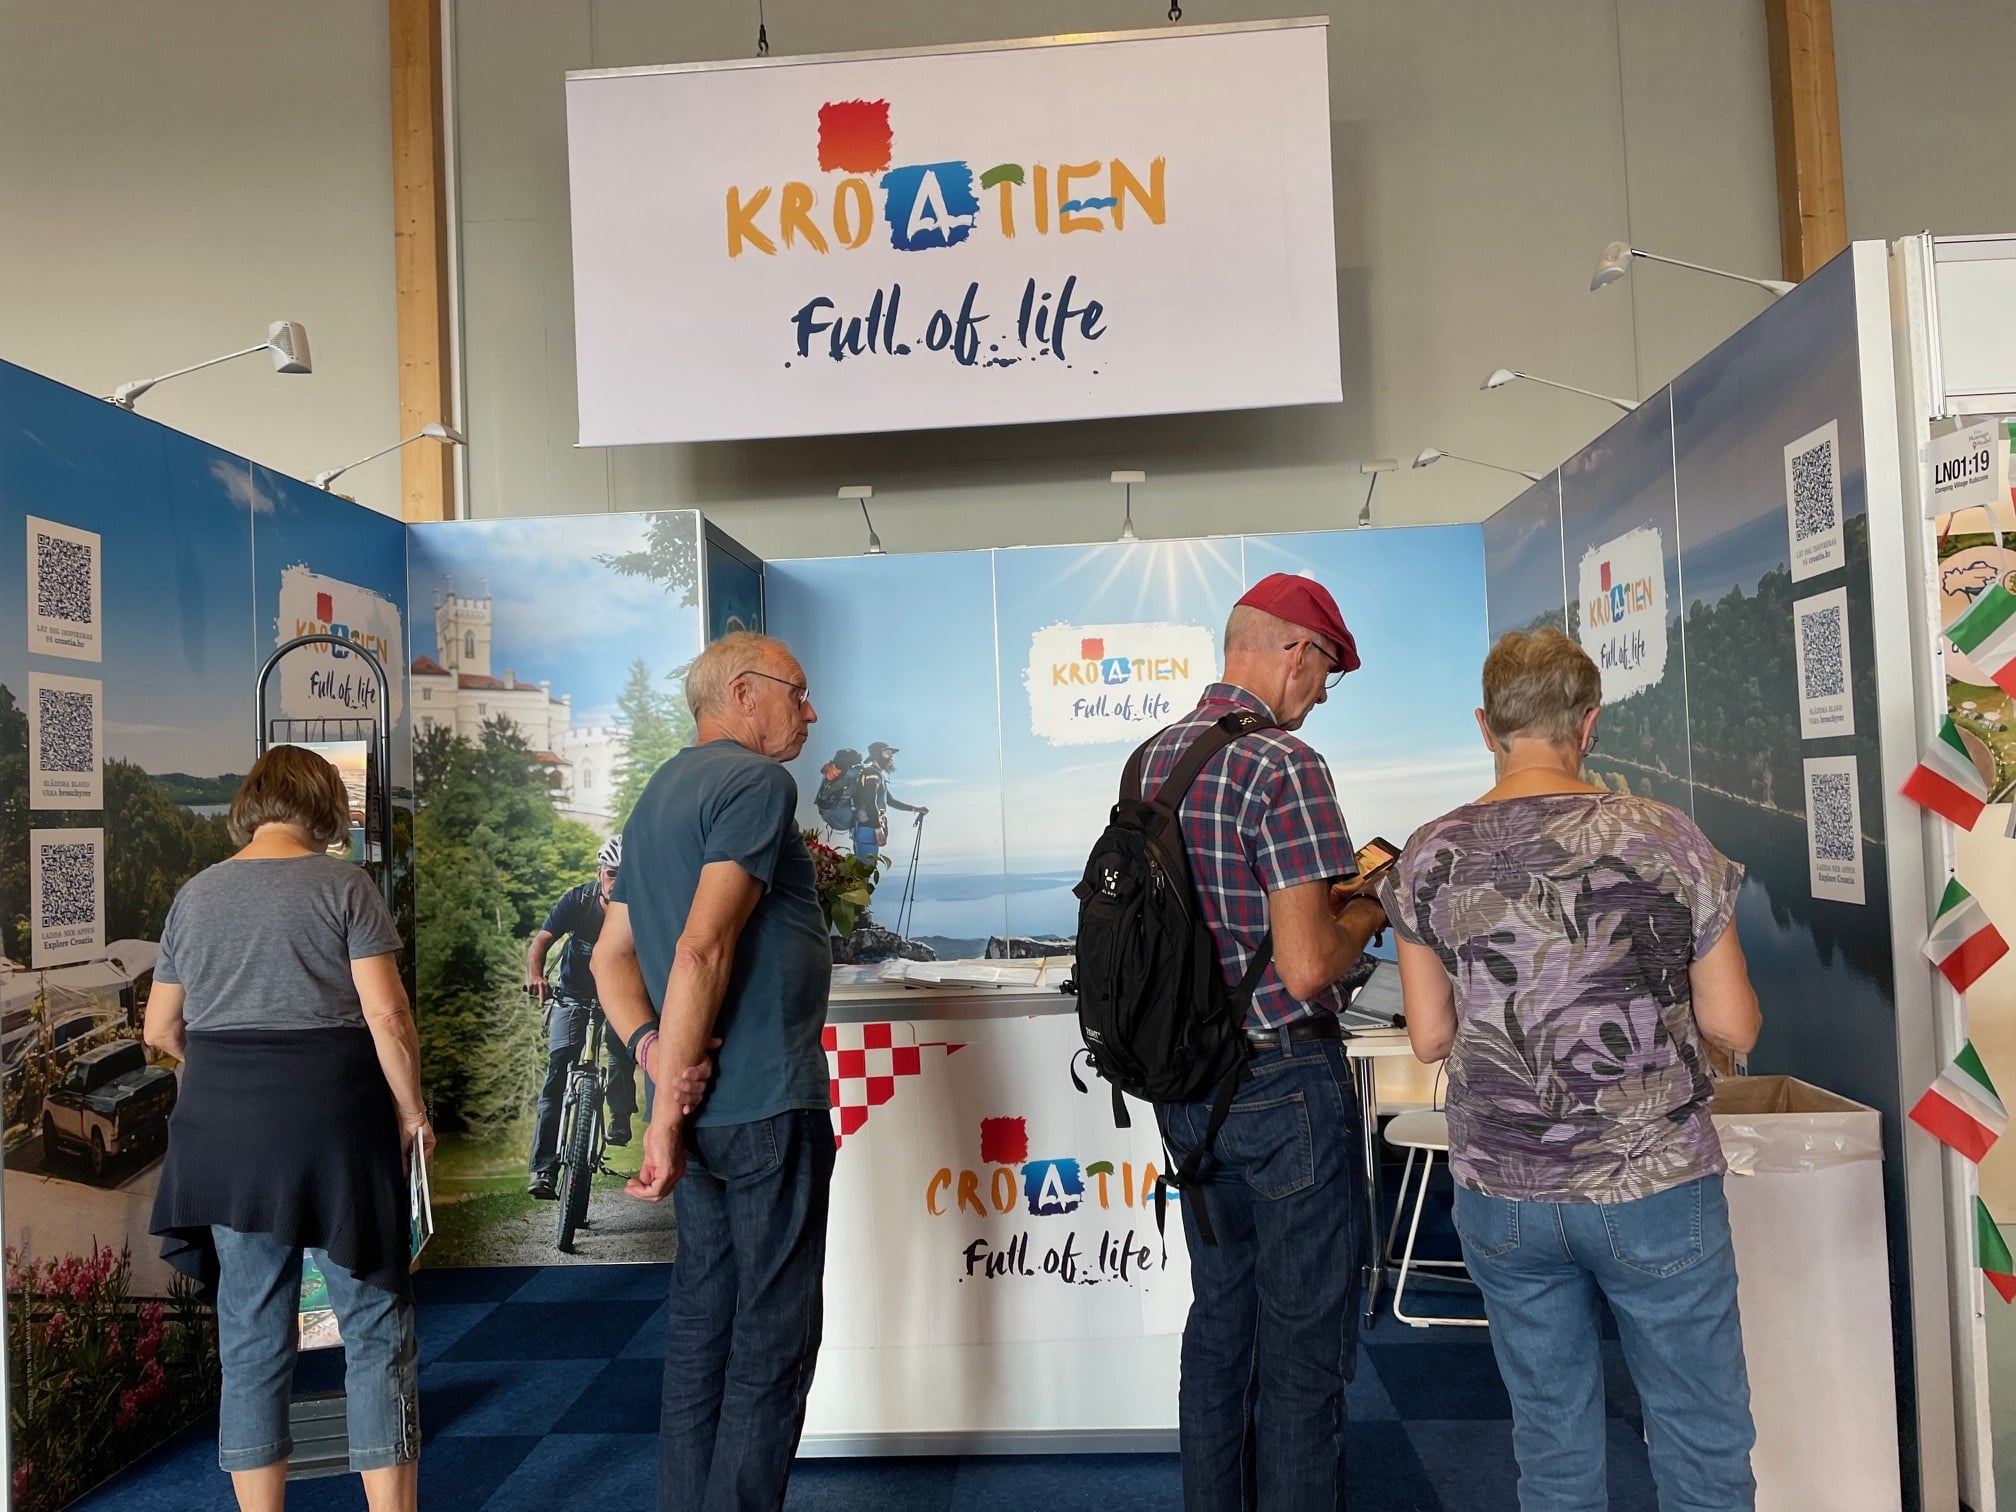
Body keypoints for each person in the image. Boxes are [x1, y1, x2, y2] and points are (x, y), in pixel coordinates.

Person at [1378, 627, 1762, 1512]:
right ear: (1588, 724)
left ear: (1486, 727)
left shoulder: (1429, 855)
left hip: (1505, 1191)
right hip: (1656, 1182)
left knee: (1552, 1442)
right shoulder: (1664, 835)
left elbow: (1430, 1038)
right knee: (1701, 1435)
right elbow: (1732, 1023)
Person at [1138, 573, 1388, 1512]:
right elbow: (1308, 966)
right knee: (1303, 1351)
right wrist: (1366, 908)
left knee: (1221, 1325)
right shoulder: (1284, 764)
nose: (1323, 693)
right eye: (1327, 669)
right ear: (1295, 651)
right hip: (1283, 1083)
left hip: (1186, 1086)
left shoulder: (1152, 760)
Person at [145, 745, 431, 1512]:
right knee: (374, 1325)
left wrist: (230, 1073)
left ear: (250, 804)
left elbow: (160, 1028)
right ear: (324, 806)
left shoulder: (195, 894)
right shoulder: (345, 886)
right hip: (335, 1128)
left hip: (223, 1136)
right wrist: (412, 1112)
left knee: (251, 1333)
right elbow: (387, 1017)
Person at [590, 631, 832, 1512]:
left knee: (704, 1331)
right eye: (796, 692)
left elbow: (609, 958)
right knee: (773, 1339)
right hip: (765, 1102)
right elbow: (701, 948)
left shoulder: (656, 795)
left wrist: (654, 1050)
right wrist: (661, 1112)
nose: (810, 712)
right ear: (741, 692)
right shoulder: (757, 783)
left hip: (710, 1115)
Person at [524, 835, 639, 1199]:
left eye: (626, 874)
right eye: (612, 873)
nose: (618, 881)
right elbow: (541, 942)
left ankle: (619, 1115)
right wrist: (535, 974)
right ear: (600, 871)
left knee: (621, 1049)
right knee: (558, 1070)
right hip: (573, 993)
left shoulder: (641, 907)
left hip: (619, 994)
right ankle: (543, 1170)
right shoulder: (578, 900)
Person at [847, 740, 927, 860]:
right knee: (866, 867)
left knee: (863, 866)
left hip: (865, 829)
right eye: (887, 753)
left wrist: (916, 809)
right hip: (868, 829)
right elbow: (869, 802)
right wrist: (878, 830)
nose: (891, 757)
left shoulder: (876, 775)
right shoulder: (872, 775)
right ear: (877, 756)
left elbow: (891, 801)